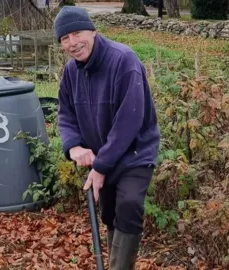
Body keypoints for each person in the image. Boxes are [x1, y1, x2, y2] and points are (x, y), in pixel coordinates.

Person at [53, 6, 160, 269]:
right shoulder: (71, 72)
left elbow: (129, 121)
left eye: (77, 33)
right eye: (65, 38)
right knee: (110, 214)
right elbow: (65, 114)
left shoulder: (123, 61)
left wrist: (100, 167)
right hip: (102, 154)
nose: (72, 43)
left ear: (93, 30)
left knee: (129, 205)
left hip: (134, 152)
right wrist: (74, 146)